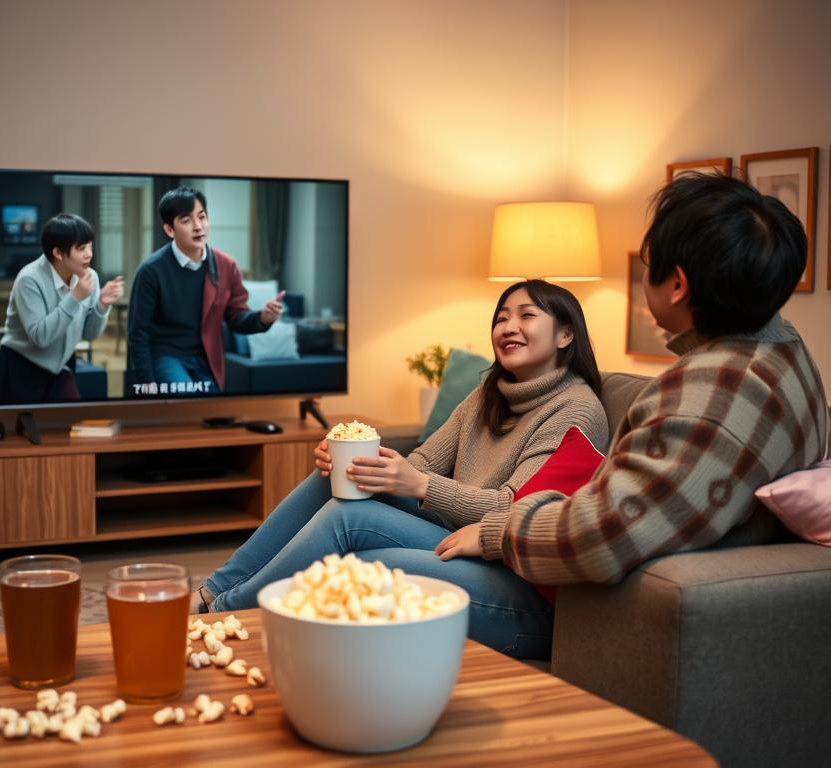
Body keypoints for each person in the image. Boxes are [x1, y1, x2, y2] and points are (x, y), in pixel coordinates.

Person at [191, 280, 609, 658]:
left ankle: (225, 613)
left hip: (517, 586)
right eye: (501, 318)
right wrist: (372, 468)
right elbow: (424, 462)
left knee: (347, 520)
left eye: (527, 315)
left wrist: (420, 485)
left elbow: (511, 508)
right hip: (455, 540)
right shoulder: (489, 394)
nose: (508, 327)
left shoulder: (574, 410)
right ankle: (210, 595)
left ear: (565, 334)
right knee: (339, 481)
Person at [483, 172, 829, 587]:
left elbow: (596, 541)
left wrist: (499, 532)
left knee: (392, 557)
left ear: (677, 285)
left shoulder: (711, 397)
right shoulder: (786, 350)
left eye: (649, 266)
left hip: (575, 598)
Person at [126, 187, 285, 395]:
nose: (198, 227)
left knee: (215, 416)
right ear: (169, 230)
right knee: (186, 405)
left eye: (202, 217)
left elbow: (236, 316)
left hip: (207, 358)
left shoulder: (226, 265)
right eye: (186, 220)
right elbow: (138, 333)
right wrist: (147, 384)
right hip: (167, 356)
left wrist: (263, 318)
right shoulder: (151, 271)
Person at [0, 213, 123, 404]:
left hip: (60, 368)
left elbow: (89, 334)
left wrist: (102, 304)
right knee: (18, 431)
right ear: (58, 253)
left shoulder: (89, 276)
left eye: (90, 246)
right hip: (20, 368)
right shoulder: (29, 279)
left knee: (68, 426)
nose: (89, 254)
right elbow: (40, 337)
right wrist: (75, 297)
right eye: (81, 248)